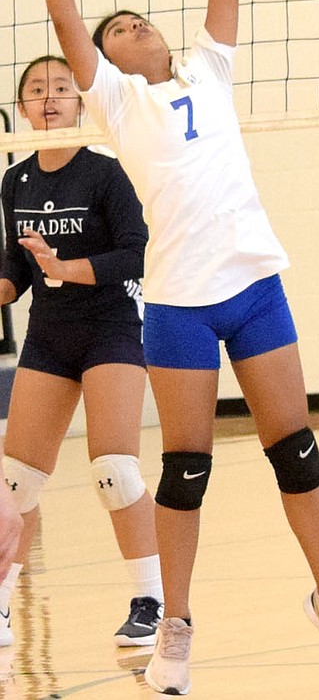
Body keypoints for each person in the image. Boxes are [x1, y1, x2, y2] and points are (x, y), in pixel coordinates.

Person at [32, 0, 319, 695]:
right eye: (123, 29)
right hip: (178, 301)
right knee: (186, 468)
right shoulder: (116, 103)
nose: (139, 26)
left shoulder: (210, 69)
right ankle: (174, 626)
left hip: (253, 284)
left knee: (294, 448)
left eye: (141, 19)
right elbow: (66, 14)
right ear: (109, 62)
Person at [0, 55, 163, 647]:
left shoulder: (106, 174)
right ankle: (0, 605)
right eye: (37, 89)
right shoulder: (14, 181)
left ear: (81, 102)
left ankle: (151, 600)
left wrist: (67, 267)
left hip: (111, 328)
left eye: (62, 88)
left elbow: (138, 253)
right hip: (49, 336)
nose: (49, 97)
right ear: (22, 108)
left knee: (114, 473)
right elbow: (17, 267)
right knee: (16, 484)